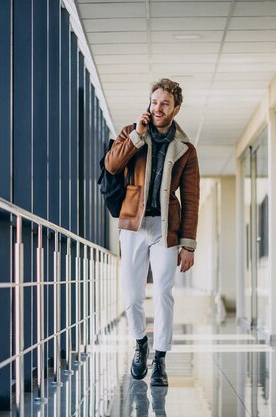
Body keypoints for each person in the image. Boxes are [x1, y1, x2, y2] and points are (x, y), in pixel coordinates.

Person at [104, 78, 200, 386]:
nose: (157, 108)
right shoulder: (131, 132)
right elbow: (111, 165)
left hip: (165, 229)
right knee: (132, 296)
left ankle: (159, 358)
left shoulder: (186, 148)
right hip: (133, 224)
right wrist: (136, 137)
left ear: (176, 109)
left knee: (162, 293)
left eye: (165, 104)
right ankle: (140, 344)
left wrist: (188, 244)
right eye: (154, 102)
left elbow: (191, 197)